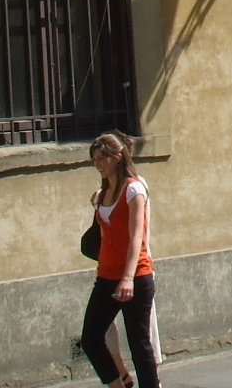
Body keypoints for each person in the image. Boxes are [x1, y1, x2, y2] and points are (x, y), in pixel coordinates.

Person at [79, 132, 160, 388]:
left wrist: (128, 278)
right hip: (106, 276)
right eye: (94, 159)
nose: (98, 163)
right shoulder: (101, 194)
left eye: (102, 157)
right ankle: (117, 384)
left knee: (139, 344)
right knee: (91, 338)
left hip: (135, 276)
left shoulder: (134, 189)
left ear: (117, 157)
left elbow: (137, 237)